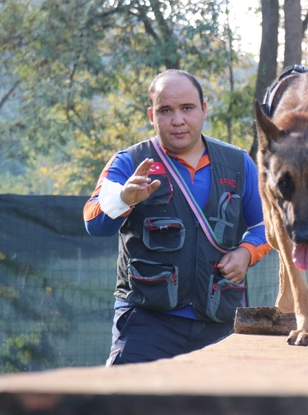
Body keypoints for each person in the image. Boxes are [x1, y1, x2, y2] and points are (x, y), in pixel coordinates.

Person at [83, 69, 270, 365]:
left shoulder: (239, 164)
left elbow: (267, 227)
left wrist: (246, 253)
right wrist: (123, 199)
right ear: (151, 115)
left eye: (187, 108)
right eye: (166, 110)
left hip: (218, 323)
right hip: (145, 323)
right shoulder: (128, 162)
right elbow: (93, 222)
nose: (178, 120)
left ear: (204, 110)